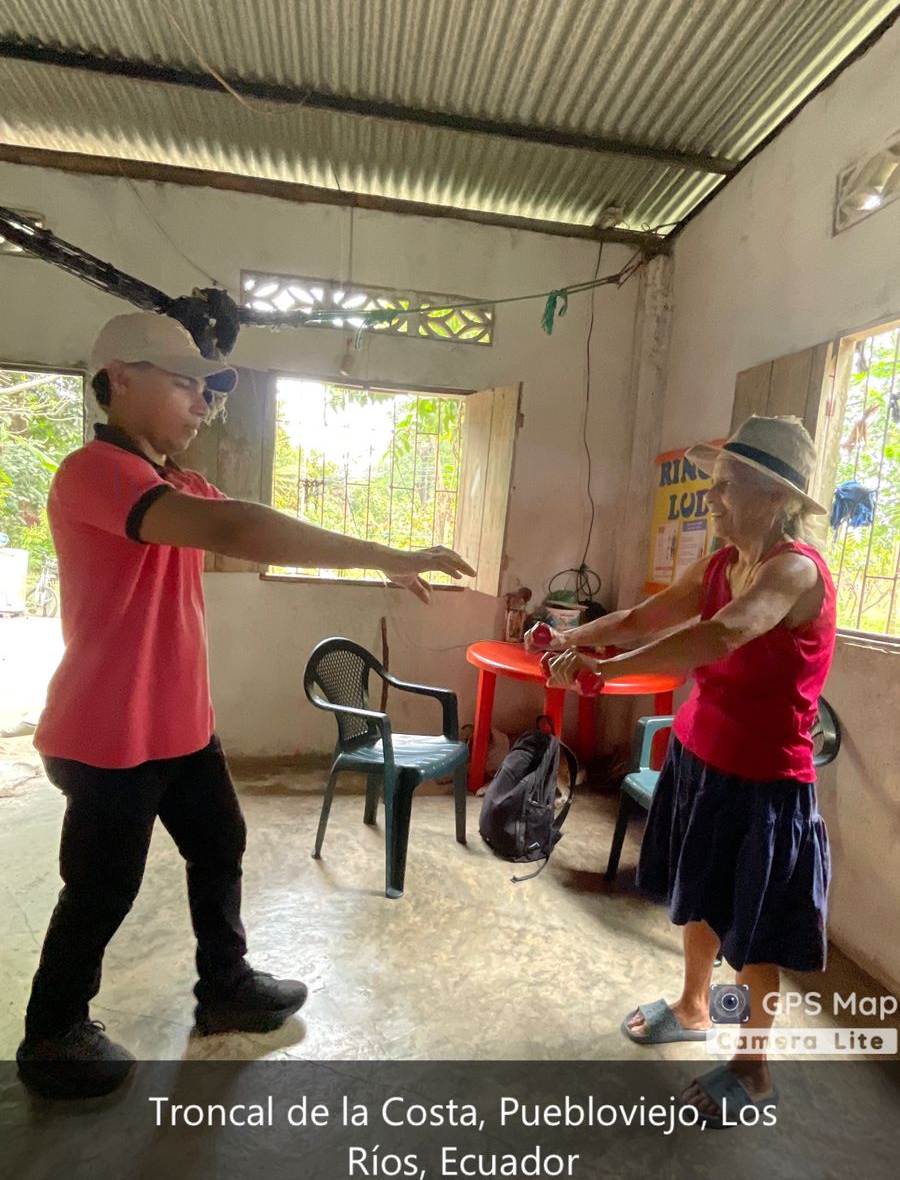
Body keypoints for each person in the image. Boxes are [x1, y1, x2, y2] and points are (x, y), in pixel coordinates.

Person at [17, 312, 474, 1098]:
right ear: (118, 380)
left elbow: (258, 524)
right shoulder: (94, 473)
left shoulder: (177, 483)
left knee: (220, 843)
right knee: (102, 886)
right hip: (106, 733)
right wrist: (384, 554)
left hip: (179, 727)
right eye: (184, 384)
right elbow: (237, 527)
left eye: (207, 390)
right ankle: (51, 1032)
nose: (203, 403)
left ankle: (224, 988)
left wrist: (375, 564)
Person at [545, 416, 836, 1125]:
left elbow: (723, 633)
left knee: (751, 935)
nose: (711, 498)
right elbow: (643, 617)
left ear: (775, 496)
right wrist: (569, 638)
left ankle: (753, 1067)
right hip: (700, 760)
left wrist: (607, 670)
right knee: (700, 898)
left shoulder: (795, 571)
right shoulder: (717, 565)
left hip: (764, 785)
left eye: (727, 485)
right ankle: (693, 1005)